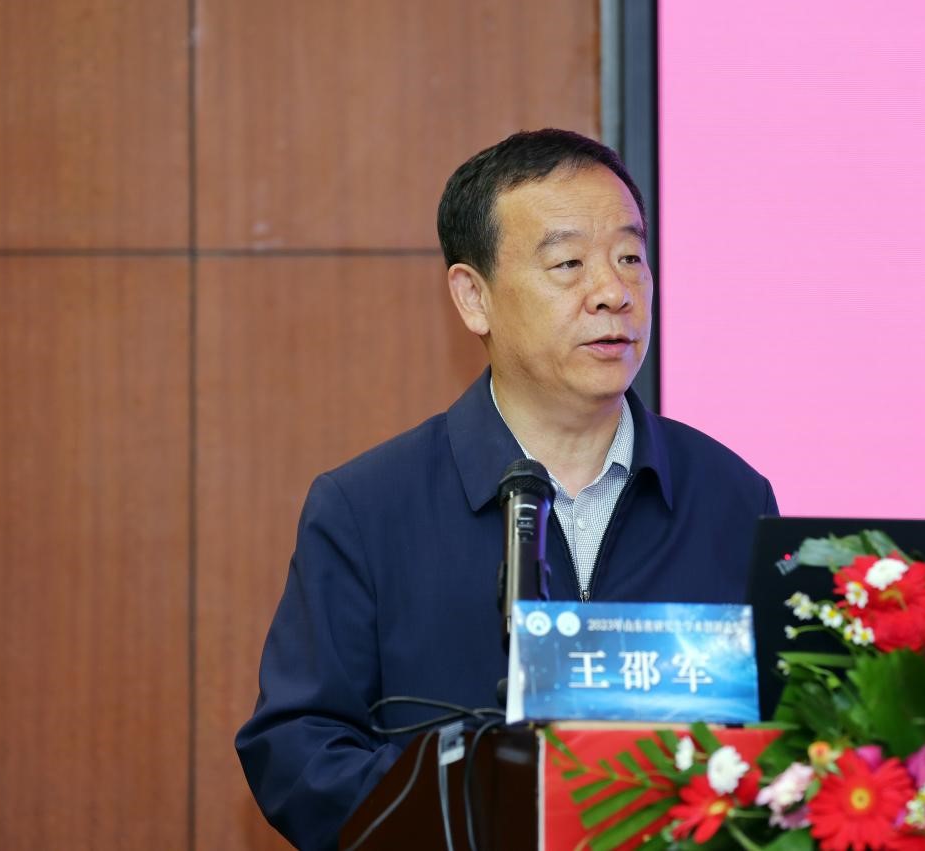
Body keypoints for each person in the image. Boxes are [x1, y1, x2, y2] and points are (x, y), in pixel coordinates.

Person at [236, 129, 778, 849]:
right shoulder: (367, 508)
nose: (613, 293)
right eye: (567, 263)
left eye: (629, 257)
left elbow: (785, 734)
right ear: (474, 298)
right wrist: (473, 814)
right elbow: (297, 749)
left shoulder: (732, 497)